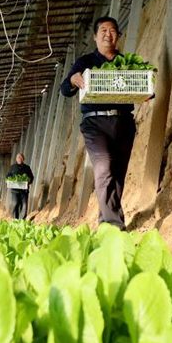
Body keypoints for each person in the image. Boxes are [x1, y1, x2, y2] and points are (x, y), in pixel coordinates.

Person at [60, 15, 136, 230]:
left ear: (118, 36)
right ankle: (113, 225)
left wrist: (147, 92)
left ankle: (107, 220)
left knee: (118, 173)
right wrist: (74, 80)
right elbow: (65, 89)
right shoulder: (85, 62)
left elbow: (143, 87)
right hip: (95, 124)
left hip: (123, 123)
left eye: (112, 30)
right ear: (95, 36)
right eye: (103, 30)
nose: (107, 34)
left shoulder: (127, 63)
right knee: (104, 169)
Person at [6, 153, 34, 220]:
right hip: (15, 190)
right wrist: (8, 180)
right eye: (18, 157)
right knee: (15, 203)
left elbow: (31, 177)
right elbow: (7, 176)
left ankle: (22, 220)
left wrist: (28, 181)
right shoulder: (12, 167)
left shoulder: (27, 168)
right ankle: (15, 219)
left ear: (23, 159)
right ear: (16, 159)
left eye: (21, 157)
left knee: (24, 205)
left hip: (24, 191)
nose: (19, 159)